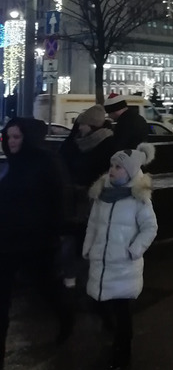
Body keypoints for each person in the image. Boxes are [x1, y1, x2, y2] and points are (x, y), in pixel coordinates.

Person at [0, 118, 74, 370]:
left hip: (35, 243)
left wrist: (52, 234)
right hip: (7, 243)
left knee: (47, 288)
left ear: (27, 138)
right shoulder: (10, 164)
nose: (11, 142)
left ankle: (66, 317)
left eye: (16, 137)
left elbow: (57, 201)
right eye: (8, 137)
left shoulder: (45, 162)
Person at [83, 143, 158, 370]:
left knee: (122, 313)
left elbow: (150, 228)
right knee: (99, 303)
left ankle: (122, 355)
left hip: (124, 266)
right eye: (112, 166)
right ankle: (114, 338)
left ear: (131, 172)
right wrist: (88, 247)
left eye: (118, 167)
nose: (112, 170)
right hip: (102, 262)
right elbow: (93, 224)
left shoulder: (139, 198)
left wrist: (133, 251)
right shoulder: (102, 194)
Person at [59, 105, 114, 288]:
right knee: (73, 236)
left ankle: (88, 277)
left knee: (88, 238)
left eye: (82, 124)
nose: (79, 128)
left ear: (92, 125)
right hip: (75, 199)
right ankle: (72, 277)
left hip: (94, 200)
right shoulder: (77, 143)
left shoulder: (108, 145)